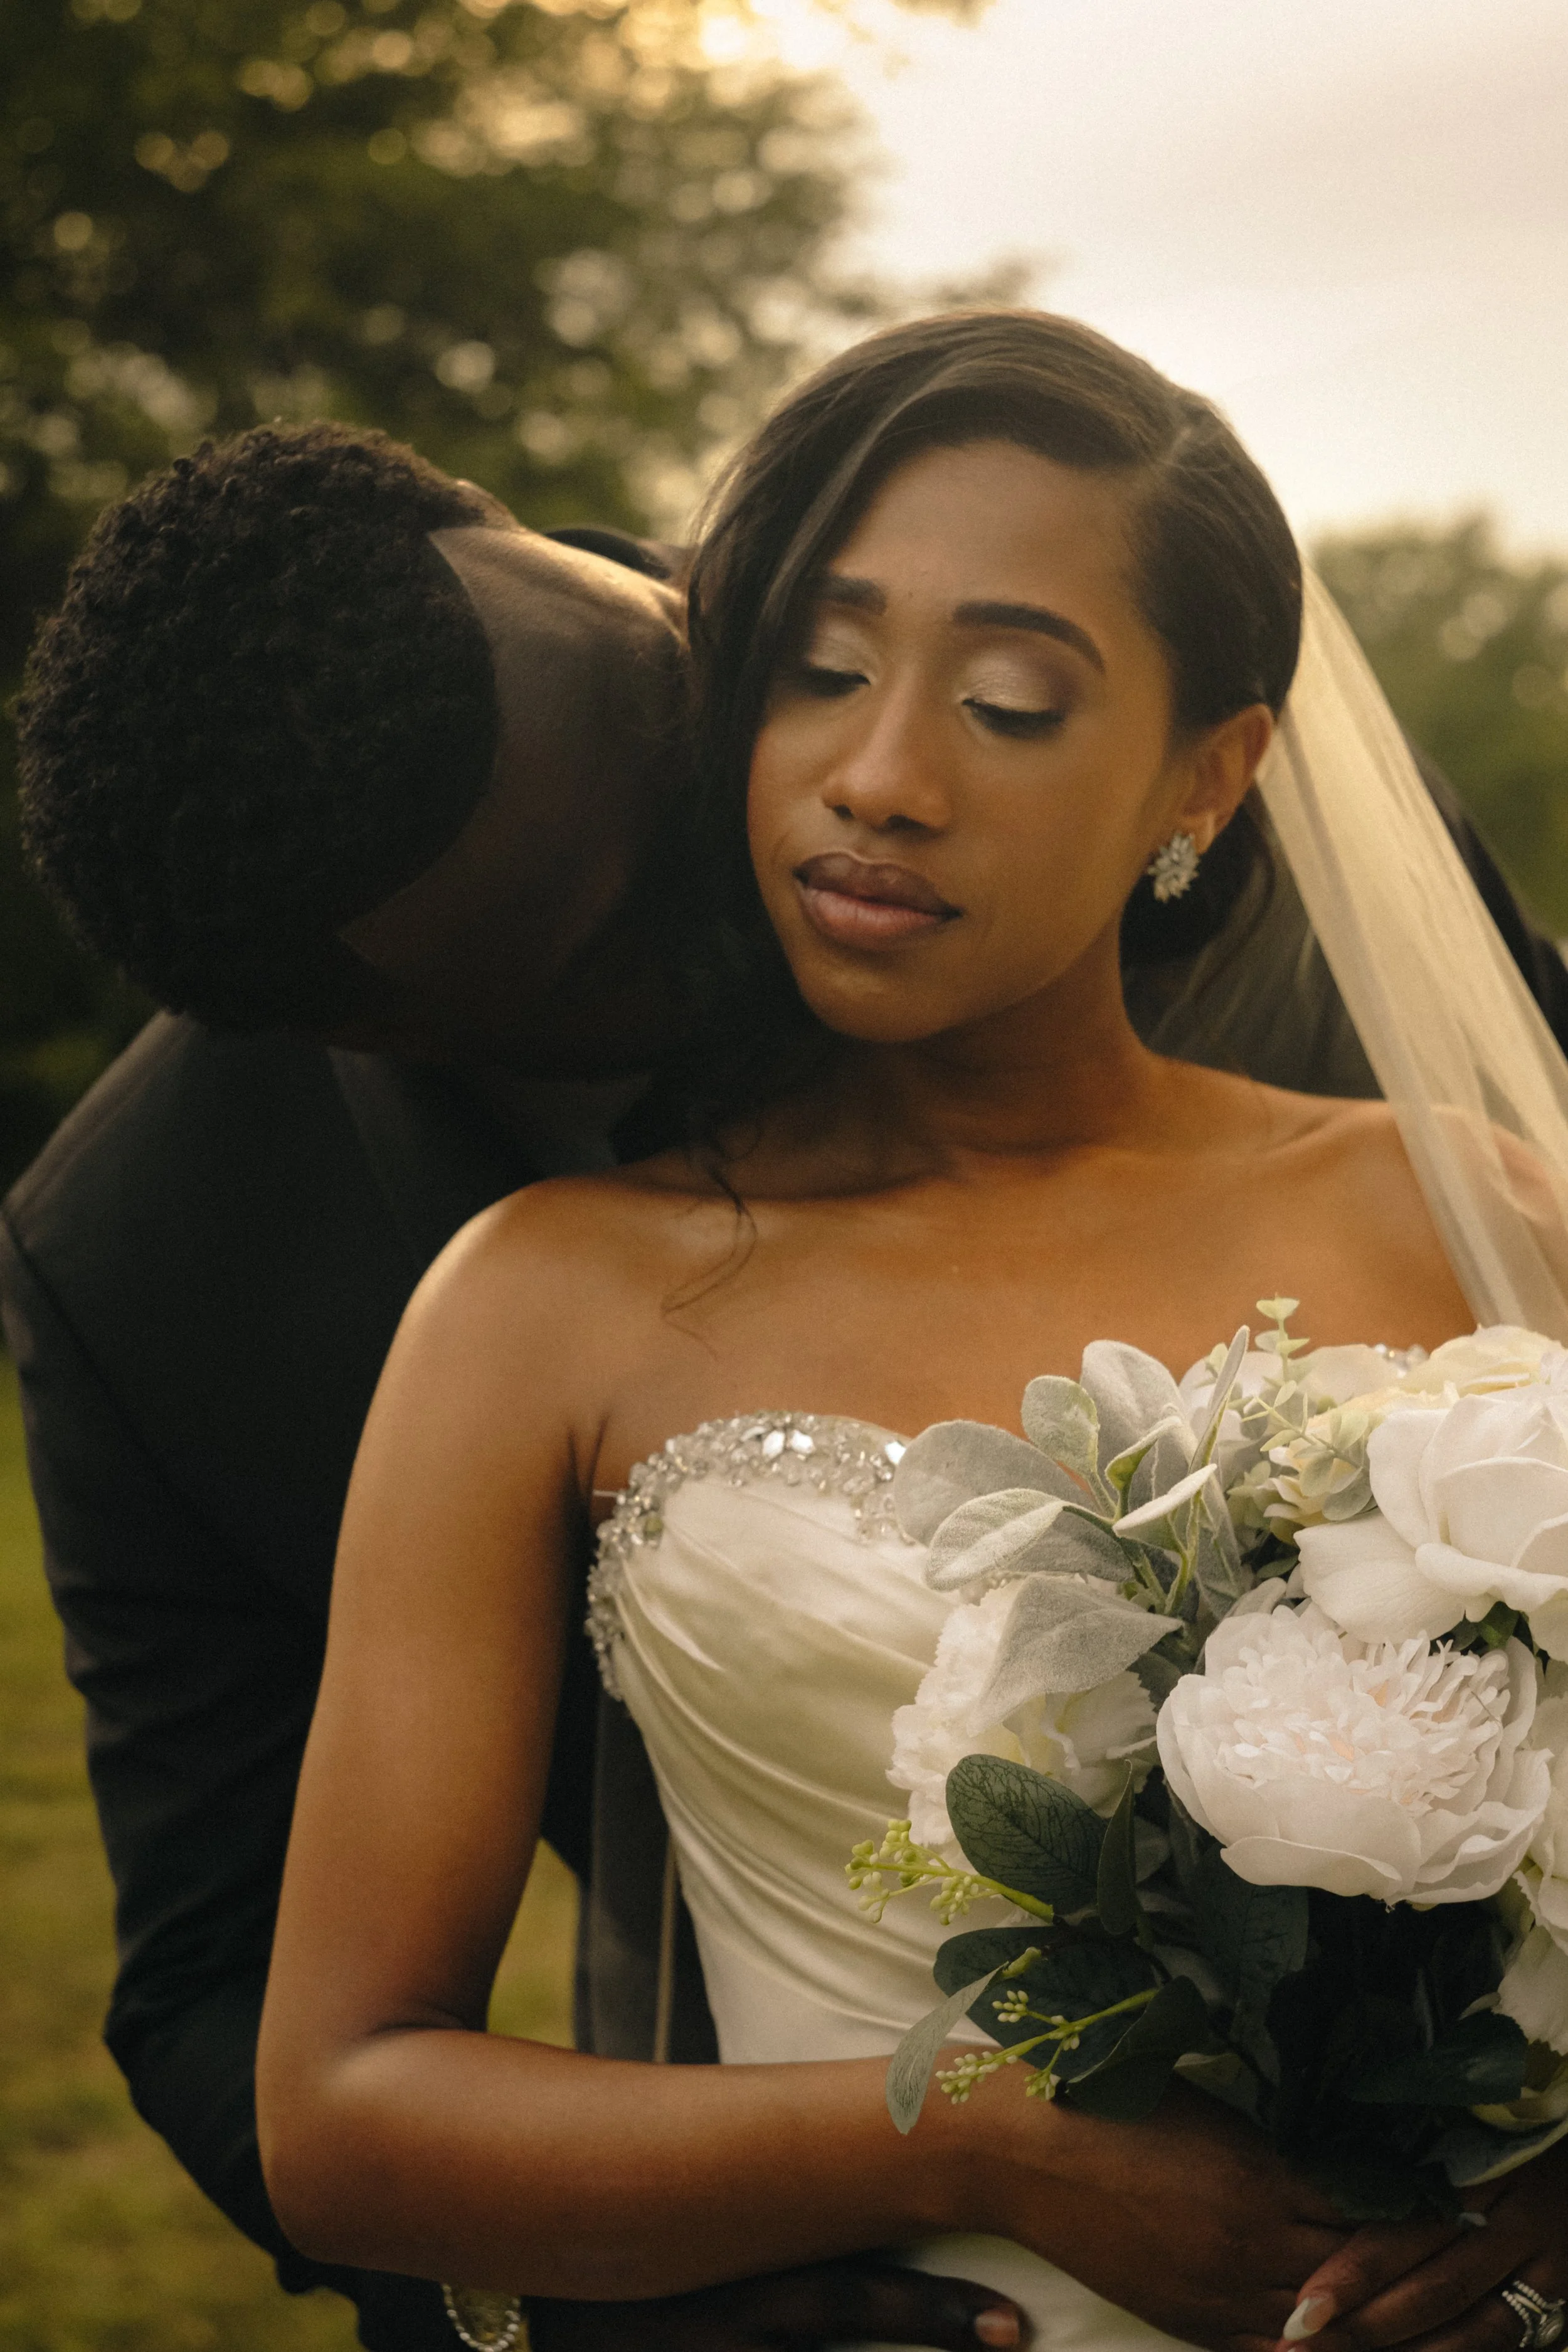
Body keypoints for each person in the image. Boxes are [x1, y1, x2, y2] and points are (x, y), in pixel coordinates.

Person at [253, 310, 1568, 2349]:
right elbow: (342, 2113)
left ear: (1208, 775)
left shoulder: (1459, 1205)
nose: (883, 778)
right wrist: (970, 2129)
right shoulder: (539, 1304)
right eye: (822, 671)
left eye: (1015, 701)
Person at [2, 423, 1027, 2352]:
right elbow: (218, 1980)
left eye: (681, 689)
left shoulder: (1037, 689)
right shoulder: (160, 1261)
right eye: (619, 924)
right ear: (368, 1032)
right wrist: (598, 2304)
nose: (793, 830)